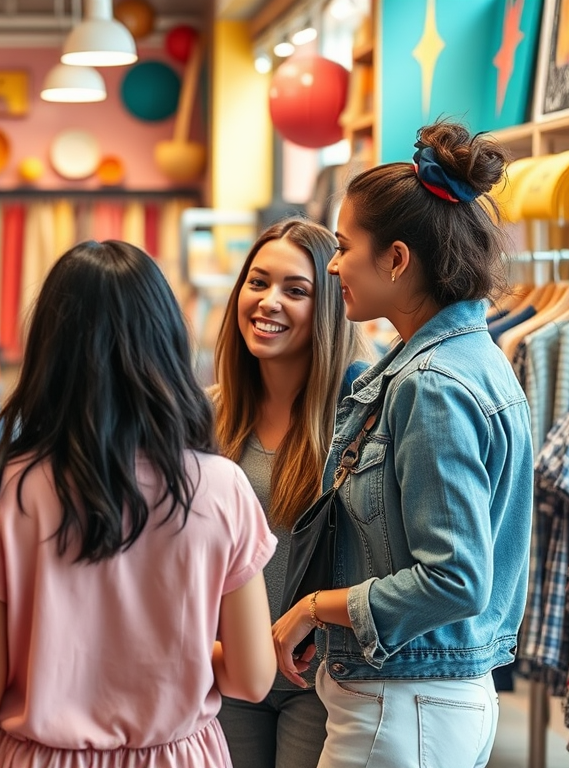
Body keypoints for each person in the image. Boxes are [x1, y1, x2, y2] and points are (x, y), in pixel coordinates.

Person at [0, 239, 278, 768]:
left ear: (49, 349)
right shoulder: (222, 487)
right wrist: (172, 649)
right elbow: (252, 678)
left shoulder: (0, 489)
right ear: (166, 343)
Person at [273, 120, 533, 768]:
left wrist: (314, 608)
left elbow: (454, 577)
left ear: (396, 259)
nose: (332, 264)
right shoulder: (470, 360)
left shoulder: (433, 385)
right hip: (423, 699)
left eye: (343, 247)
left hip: (401, 706)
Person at [211, 217, 370, 768]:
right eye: (257, 282)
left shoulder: (361, 416)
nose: (268, 301)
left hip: (322, 676)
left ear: (327, 304)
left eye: (294, 290)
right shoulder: (209, 416)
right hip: (227, 665)